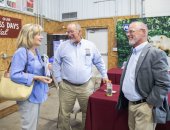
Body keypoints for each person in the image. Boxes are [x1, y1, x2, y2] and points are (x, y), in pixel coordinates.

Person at [53, 22, 108, 130]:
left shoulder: (90, 45)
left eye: (71, 31)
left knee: (87, 112)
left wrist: (104, 75)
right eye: (67, 32)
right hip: (67, 87)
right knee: (64, 113)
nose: (69, 34)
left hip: (86, 86)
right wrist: (59, 80)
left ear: (79, 31)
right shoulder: (62, 46)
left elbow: (99, 61)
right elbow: (56, 63)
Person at [117, 21, 170, 130]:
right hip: (131, 104)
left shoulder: (156, 54)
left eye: (131, 31)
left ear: (143, 32)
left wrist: (149, 104)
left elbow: (163, 83)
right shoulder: (133, 52)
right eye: (128, 32)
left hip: (145, 107)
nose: (128, 34)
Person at [10, 24, 52, 130]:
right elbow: (14, 74)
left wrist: (47, 67)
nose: (41, 37)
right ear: (29, 36)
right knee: (28, 127)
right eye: (38, 34)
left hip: (36, 94)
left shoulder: (35, 51)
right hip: (28, 96)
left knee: (33, 125)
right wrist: (36, 77)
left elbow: (35, 68)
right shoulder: (21, 52)